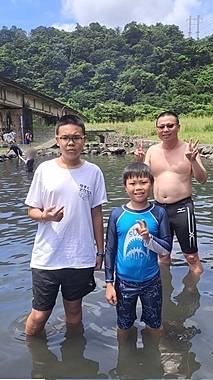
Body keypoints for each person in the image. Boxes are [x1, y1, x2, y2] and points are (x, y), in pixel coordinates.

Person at [24, 114, 107, 336]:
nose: (71, 143)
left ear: (84, 139)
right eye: (66, 138)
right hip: (47, 257)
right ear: (57, 140)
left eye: (76, 137)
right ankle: (34, 356)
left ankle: (74, 354)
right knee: (40, 314)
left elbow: (96, 213)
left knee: (74, 310)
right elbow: (31, 210)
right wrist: (45, 217)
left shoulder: (93, 172)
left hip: (79, 257)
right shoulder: (44, 170)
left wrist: (100, 251)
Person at [134, 111, 207, 274]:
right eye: (162, 126)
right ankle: (164, 290)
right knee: (162, 255)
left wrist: (193, 160)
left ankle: (193, 293)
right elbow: (144, 179)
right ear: (157, 129)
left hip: (182, 208)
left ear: (178, 127)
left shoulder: (188, 149)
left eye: (170, 125)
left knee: (191, 257)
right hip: (158, 209)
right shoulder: (152, 151)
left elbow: (202, 179)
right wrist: (139, 162)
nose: (166, 129)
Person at [105, 163, 172, 339]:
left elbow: (166, 249)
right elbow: (110, 249)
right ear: (125, 186)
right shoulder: (117, 214)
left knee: (155, 326)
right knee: (124, 328)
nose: (138, 188)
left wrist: (148, 239)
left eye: (143, 182)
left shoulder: (159, 213)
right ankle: (126, 362)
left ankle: (154, 360)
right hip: (123, 283)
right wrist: (109, 283)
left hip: (151, 282)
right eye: (132, 183)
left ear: (151, 184)